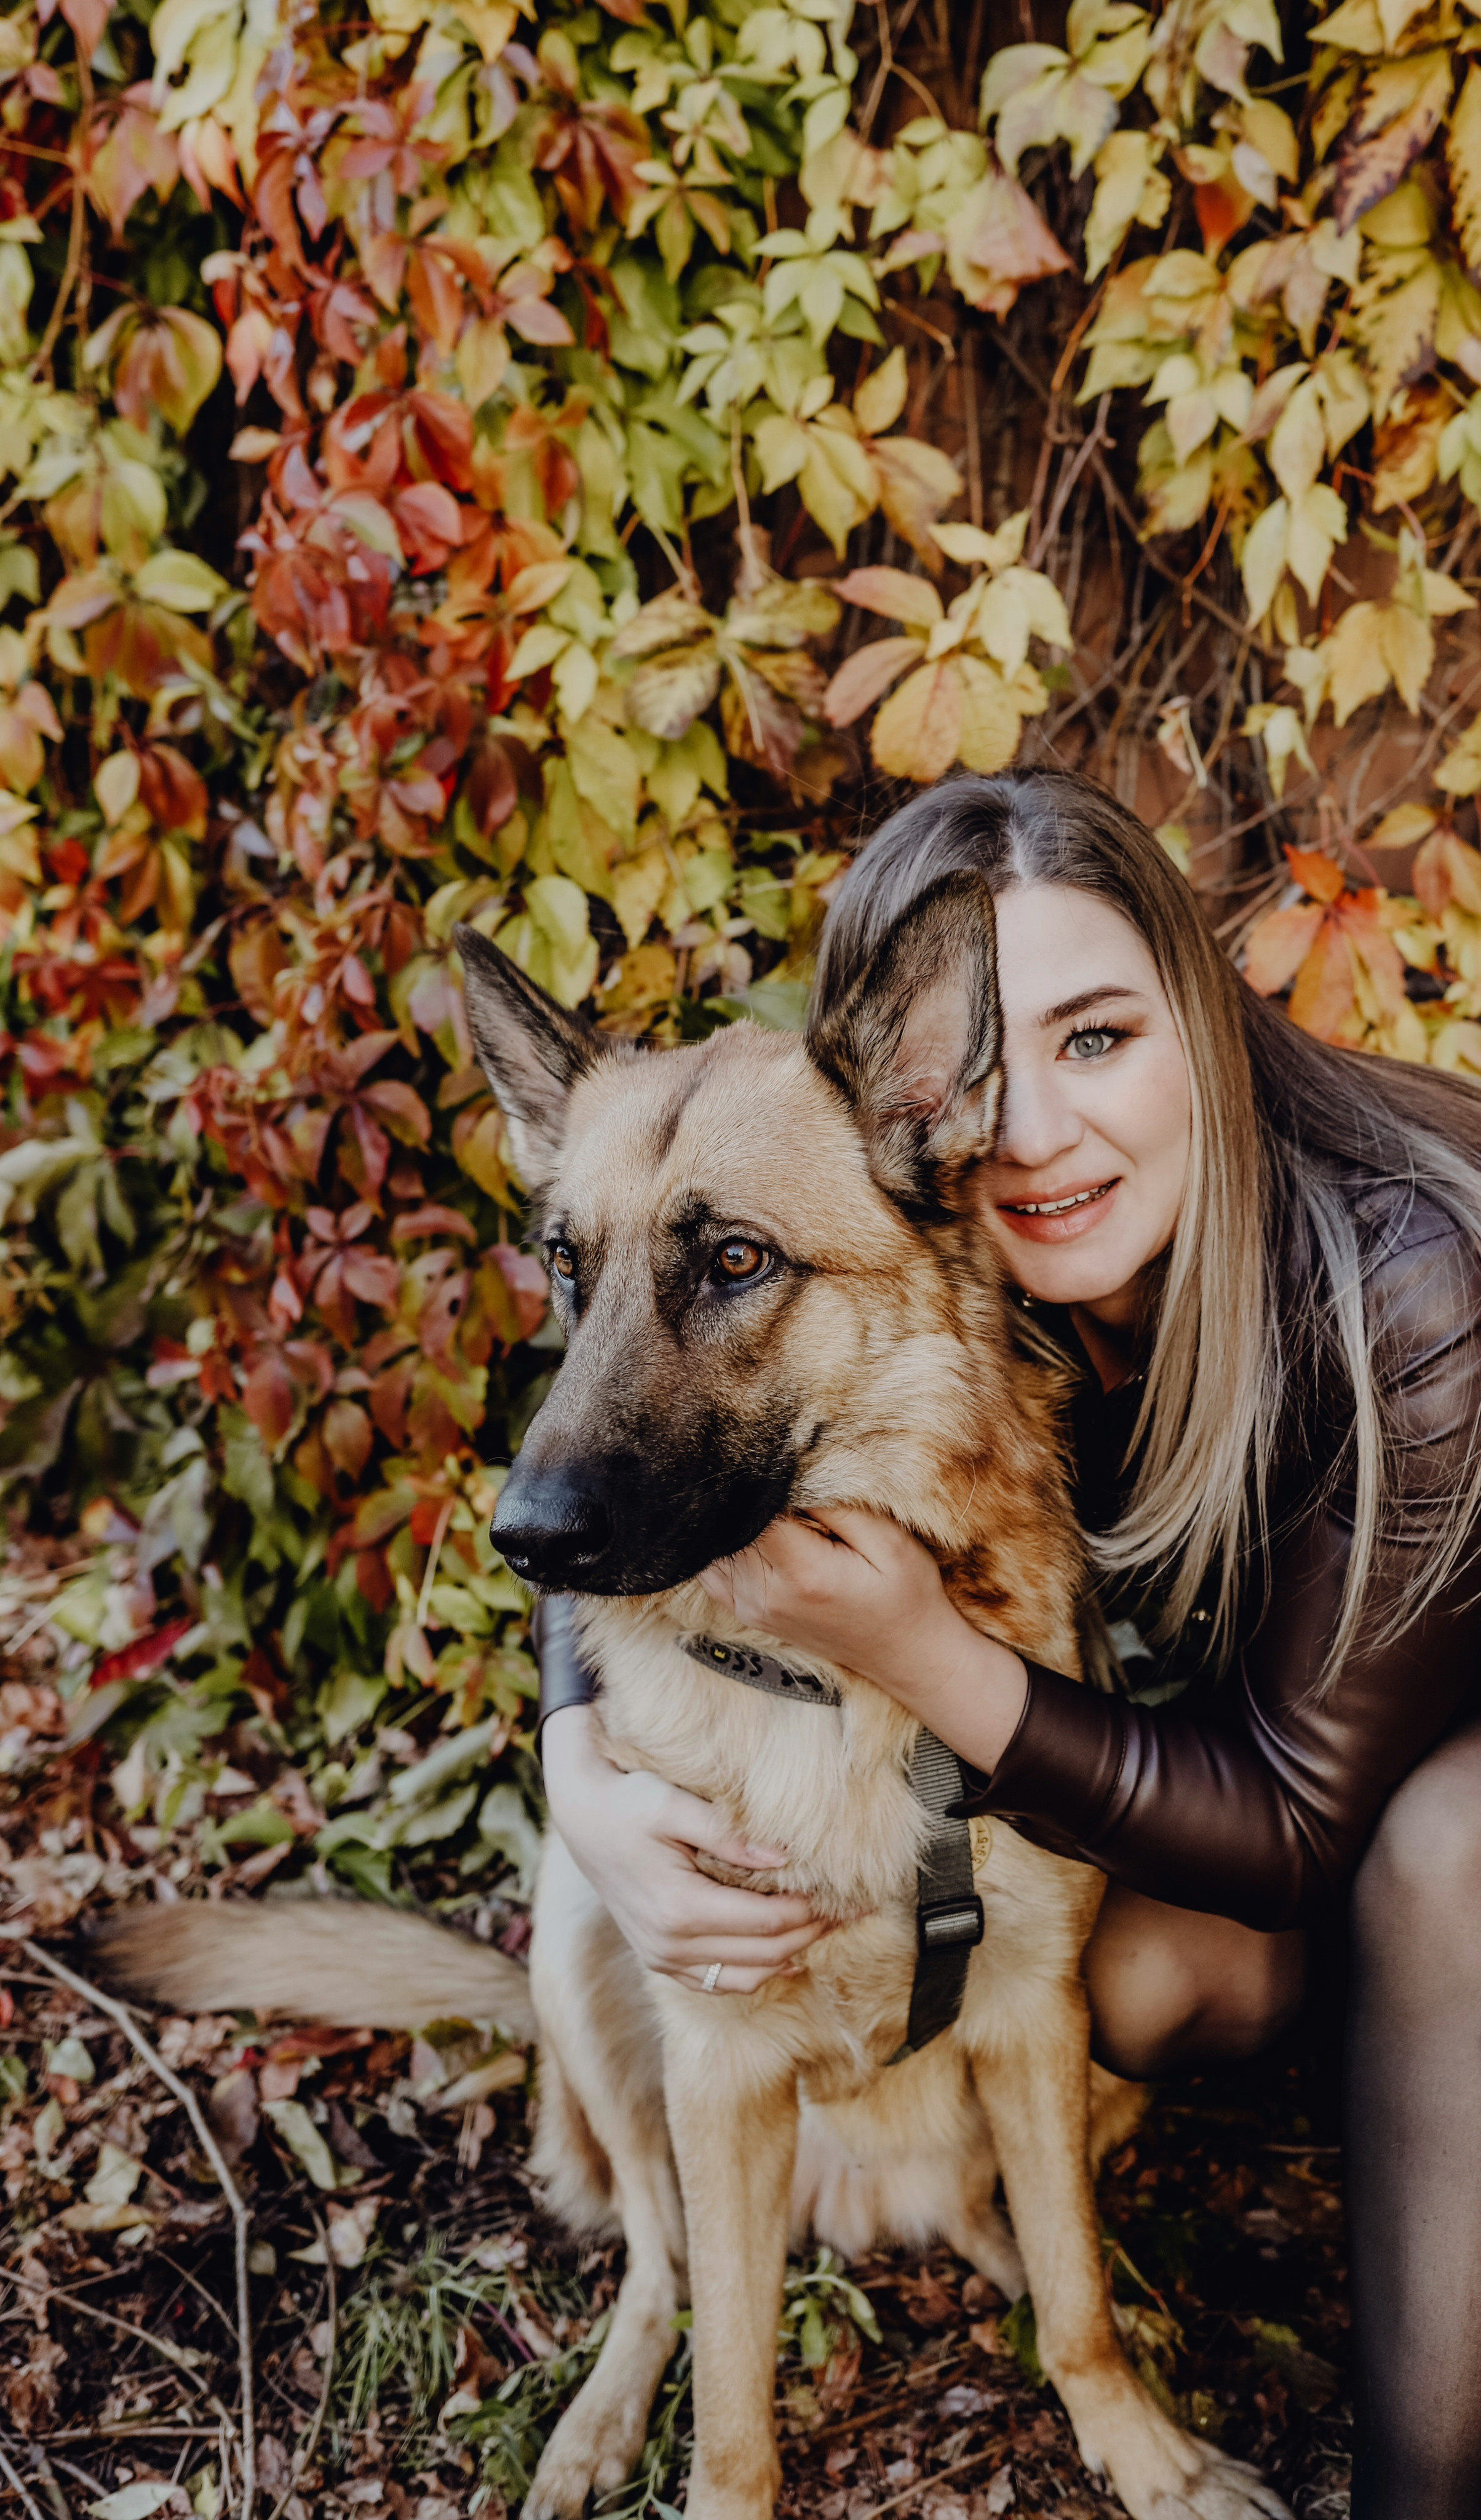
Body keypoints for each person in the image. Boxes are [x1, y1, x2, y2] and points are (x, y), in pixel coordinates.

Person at [533, 769, 1481, 2520]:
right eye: (988, 1062)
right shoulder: (967, 1277)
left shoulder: (1411, 1279)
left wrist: (910, 1644)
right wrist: (576, 1759)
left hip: (1384, 1797)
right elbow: (621, 1443)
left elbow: (1291, 1819)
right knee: (1135, 1976)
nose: (1025, 1130)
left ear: (1203, 1015)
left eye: (1101, 1036)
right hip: (1300, 1754)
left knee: (1439, 1856)